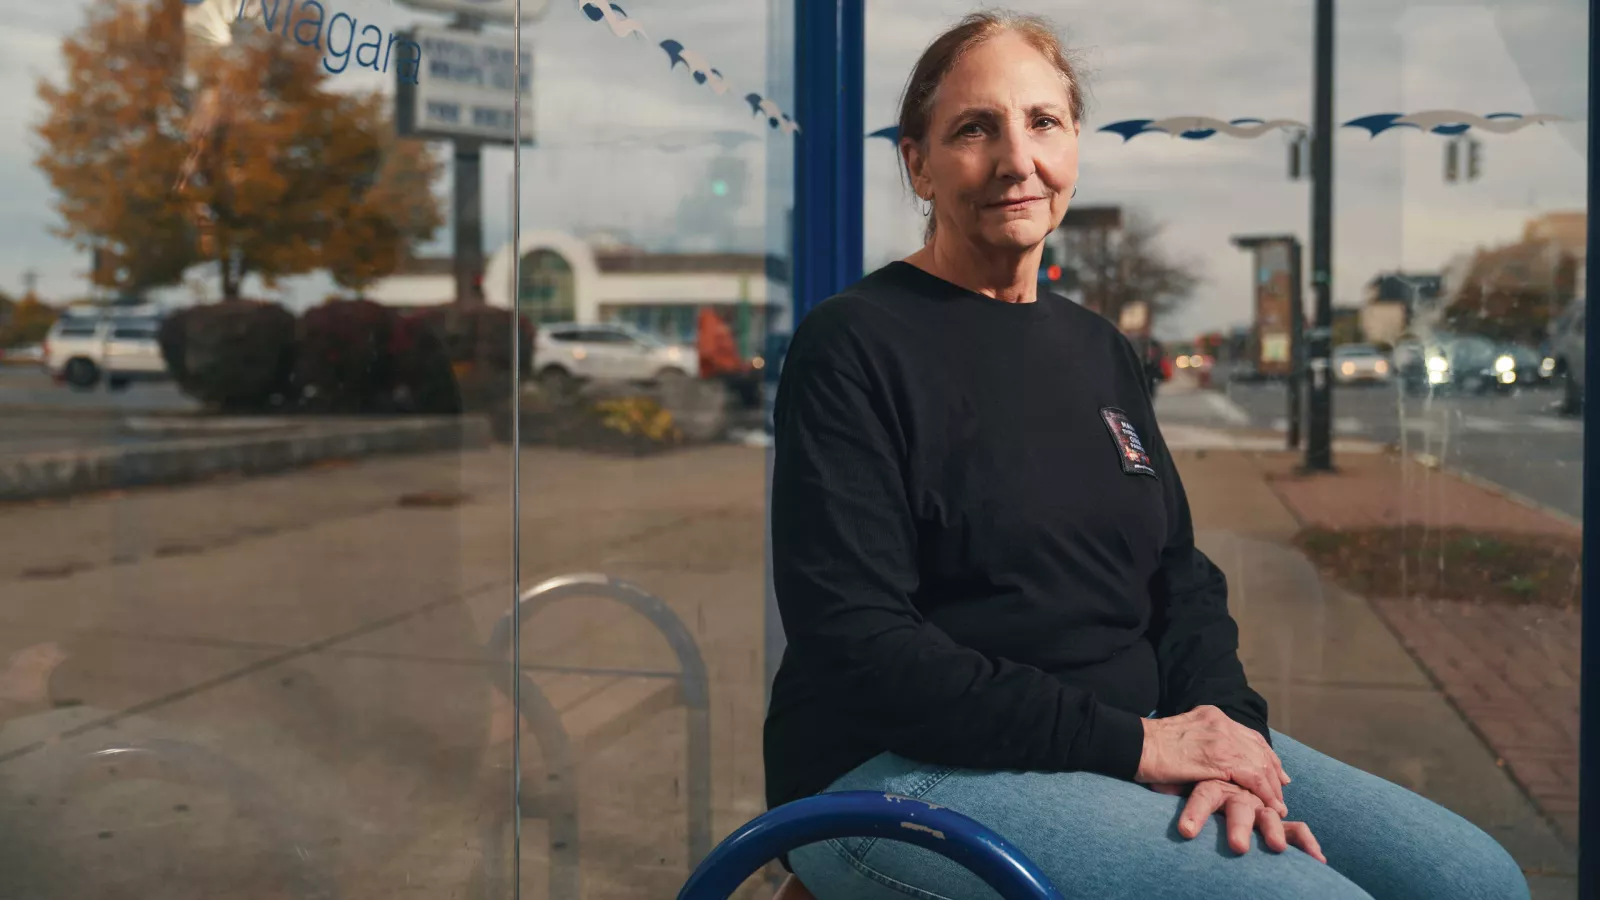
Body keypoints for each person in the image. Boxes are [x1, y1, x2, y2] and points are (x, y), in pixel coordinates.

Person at [764, 11, 1528, 900]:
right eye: (975, 129)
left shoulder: (1099, 349)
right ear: (918, 165)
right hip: (895, 769)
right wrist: (1139, 746)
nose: (1017, 159)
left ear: (1074, 143)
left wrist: (1230, 733)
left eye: (1043, 122)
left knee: (1473, 879)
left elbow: (1181, 576)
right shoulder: (855, 343)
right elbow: (860, 643)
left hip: (1129, 733)